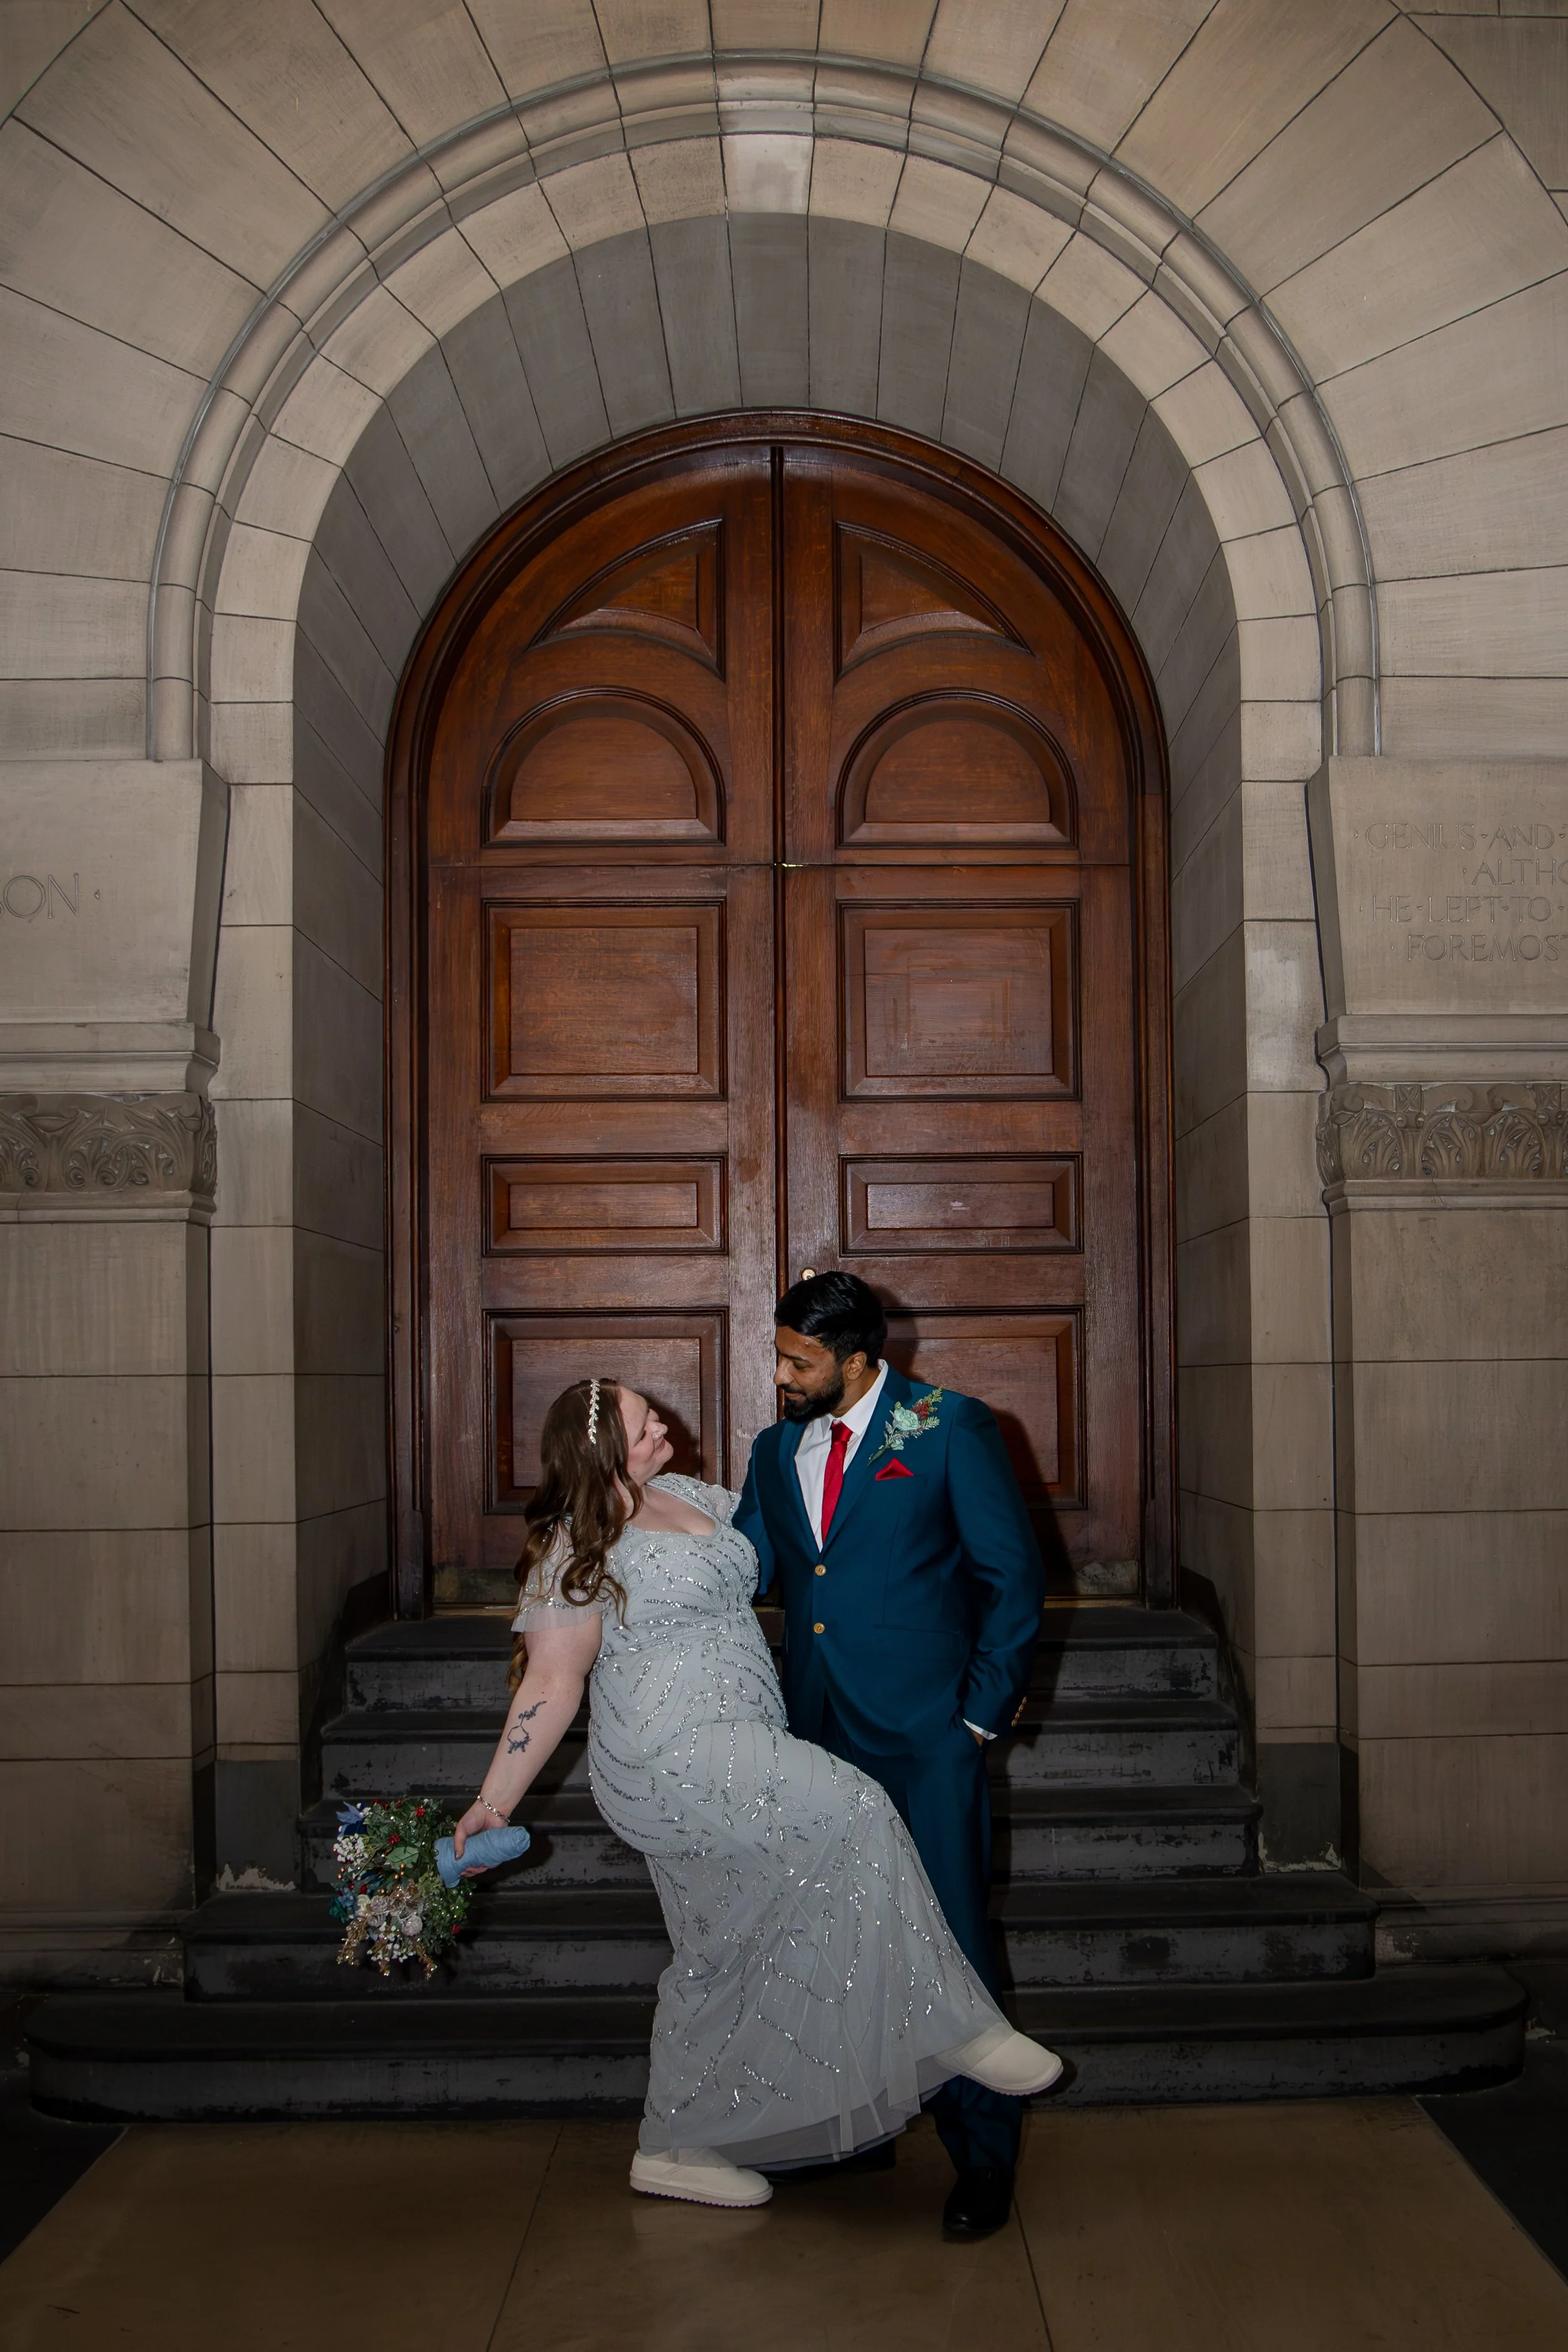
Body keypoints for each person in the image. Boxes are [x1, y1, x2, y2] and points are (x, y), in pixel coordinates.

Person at [452, 1375, 1062, 2214]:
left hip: (749, 1737)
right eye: (642, 1426)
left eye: (652, 1415)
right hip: (670, 1753)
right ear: (601, 1453)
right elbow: (552, 1684)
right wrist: (494, 1800)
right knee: (855, 1808)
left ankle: (676, 2144)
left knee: (721, 1948)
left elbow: (813, 1545)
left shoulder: (690, 1494)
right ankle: (956, 2028)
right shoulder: (574, 1543)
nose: (661, 1427)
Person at [733, 1271, 1048, 2242]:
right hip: (815, 1736)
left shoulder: (949, 1427)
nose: (781, 1376)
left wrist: (977, 1721)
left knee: (950, 1942)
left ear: (861, 1359)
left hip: (926, 1741)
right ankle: (854, 2128)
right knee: (832, 1938)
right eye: (780, 1355)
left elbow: (1011, 1577)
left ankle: (983, 2152)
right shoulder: (774, 1449)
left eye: (800, 1361)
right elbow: (747, 1569)